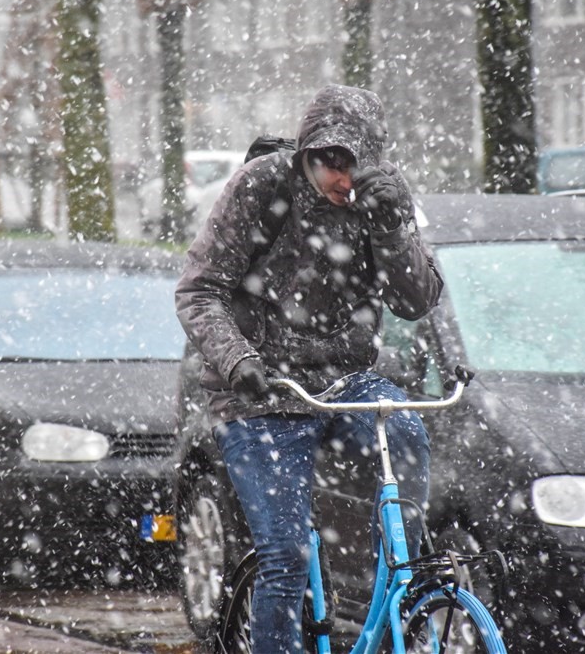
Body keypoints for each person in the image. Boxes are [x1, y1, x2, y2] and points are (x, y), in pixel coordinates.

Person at [174, 84, 442, 653]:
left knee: (405, 430)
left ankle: (401, 578)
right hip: (263, 390)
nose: (344, 181)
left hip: (345, 379)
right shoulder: (263, 185)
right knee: (285, 555)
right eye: (331, 165)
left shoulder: (382, 199)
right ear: (307, 155)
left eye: (356, 167)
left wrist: (392, 225)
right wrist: (237, 359)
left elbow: (416, 301)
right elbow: (199, 290)